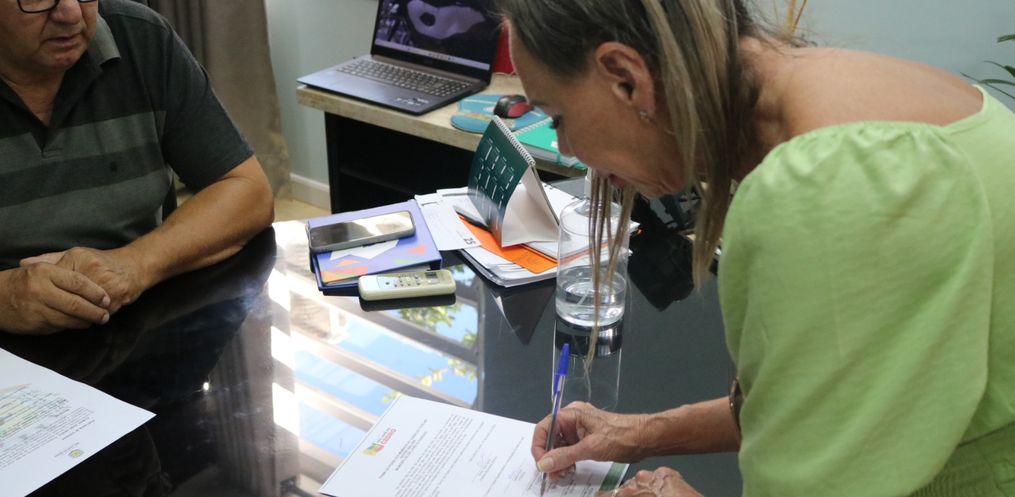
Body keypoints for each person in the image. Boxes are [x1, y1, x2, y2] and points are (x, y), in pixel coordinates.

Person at [500, 0, 1015, 495]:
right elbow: (836, 402)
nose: (566, 149)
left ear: (625, 76)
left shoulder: (821, 183)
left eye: (557, 118)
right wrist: (641, 433)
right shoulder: (856, 93)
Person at [0, 0, 274, 335]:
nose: (71, 13)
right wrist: (4, 298)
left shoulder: (140, 38)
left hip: (138, 325)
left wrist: (134, 263)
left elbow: (247, 190)